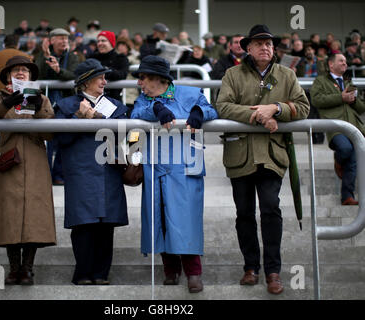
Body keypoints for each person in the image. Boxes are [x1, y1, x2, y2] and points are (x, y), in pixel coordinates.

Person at [216, 24, 310, 294]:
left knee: (271, 209)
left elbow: (303, 106)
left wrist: (277, 108)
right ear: (247, 48)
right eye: (259, 43)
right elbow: (222, 105)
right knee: (244, 214)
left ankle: (273, 271)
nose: (266, 47)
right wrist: (257, 115)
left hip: (271, 155)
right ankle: (250, 267)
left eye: (269, 43)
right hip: (240, 155)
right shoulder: (233, 74)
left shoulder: (286, 74)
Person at [131, 55, 218, 293]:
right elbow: (136, 114)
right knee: (160, 220)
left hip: (185, 166)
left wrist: (199, 112)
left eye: (143, 78)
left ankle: (193, 273)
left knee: (186, 220)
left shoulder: (190, 93)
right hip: (156, 167)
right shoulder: (143, 100)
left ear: (158, 78)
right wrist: (156, 108)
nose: (140, 83)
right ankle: (171, 270)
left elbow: (212, 109)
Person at [0, 56, 56, 285]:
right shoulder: (0, 97)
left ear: (31, 76)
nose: (20, 73)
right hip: (8, 162)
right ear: (9, 76)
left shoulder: (42, 99)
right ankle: (14, 269)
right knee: (8, 215)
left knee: (33, 216)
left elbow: (50, 132)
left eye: (24, 70)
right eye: (15, 70)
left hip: (34, 162)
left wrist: (39, 107)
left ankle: (28, 269)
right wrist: (6, 103)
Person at [54, 59, 129, 285]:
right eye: (100, 77)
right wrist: (78, 117)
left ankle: (101, 274)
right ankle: (83, 273)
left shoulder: (115, 105)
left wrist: (95, 118)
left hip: (108, 171)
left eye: (105, 77)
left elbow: (123, 135)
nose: (105, 81)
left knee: (106, 225)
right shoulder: (66, 106)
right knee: (83, 224)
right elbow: (60, 139)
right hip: (80, 171)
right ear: (85, 82)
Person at [310, 53, 365, 205]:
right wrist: (341, 97)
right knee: (345, 149)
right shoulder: (320, 81)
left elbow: (361, 108)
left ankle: (347, 197)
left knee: (353, 162)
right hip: (335, 127)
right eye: (341, 61)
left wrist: (353, 100)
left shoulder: (349, 81)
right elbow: (316, 100)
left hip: (353, 127)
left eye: (346, 61)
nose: (345, 64)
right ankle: (338, 162)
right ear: (331, 64)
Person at [35, 28, 81, 186]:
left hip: (65, 104)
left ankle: (59, 174)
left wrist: (58, 70)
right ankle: (46, 173)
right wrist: (45, 56)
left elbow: (75, 76)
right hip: (46, 104)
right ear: (51, 41)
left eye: (66, 39)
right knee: (47, 141)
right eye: (60, 38)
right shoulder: (41, 55)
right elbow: (37, 75)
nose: (64, 41)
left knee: (65, 139)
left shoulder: (73, 57)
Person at [89, 30, 129, 102]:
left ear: (111, 43)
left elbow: (122, 75)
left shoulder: (120, 58)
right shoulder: (92, 58)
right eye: (98, 41)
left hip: (114, 101)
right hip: (93, 101)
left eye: (103, 40)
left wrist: (102, 71)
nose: (100, 43)